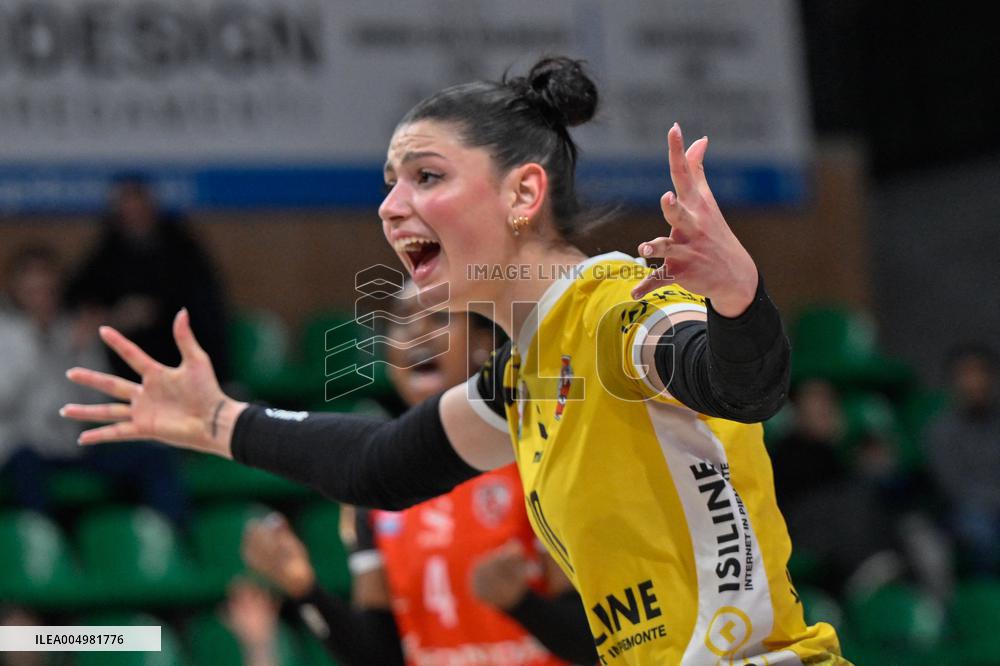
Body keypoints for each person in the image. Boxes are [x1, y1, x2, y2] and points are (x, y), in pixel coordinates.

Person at [62, 57, 848, 664]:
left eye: (426, 176)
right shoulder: (525, 372)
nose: (389, 206)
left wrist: (738, 298)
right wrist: (218, 419)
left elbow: (741, 384)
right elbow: (378, 464)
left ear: (523, 195)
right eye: (389, 183)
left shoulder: (617, 309)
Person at [241, 297, 596, 665]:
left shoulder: (531, 457)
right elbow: (380, 657)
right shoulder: (376, 490)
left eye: (439, 317)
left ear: (483, 346)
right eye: (401, 320)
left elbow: (600, 642)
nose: (416, 330)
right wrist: (305, 590)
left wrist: (522, 604)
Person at [0, 246, 187, 526]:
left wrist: (78, 354)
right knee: (26, 469)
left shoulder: (74, 331)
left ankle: (171, 539)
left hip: (74, 445)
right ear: (16, 292)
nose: (41, 299)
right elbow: (4, 398)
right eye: (33, 291)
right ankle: (43, 549)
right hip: (23, 449)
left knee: (154, 455)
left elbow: (98, 403)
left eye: (48, 291)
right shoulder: (6, 334)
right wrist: (34, 344)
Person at [926, 343, 1000, 574]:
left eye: (980, 373)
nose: (974, 381)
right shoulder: (940, 431)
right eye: (966, 374)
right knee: (978, 531)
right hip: (969, 511)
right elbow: (955, 487)